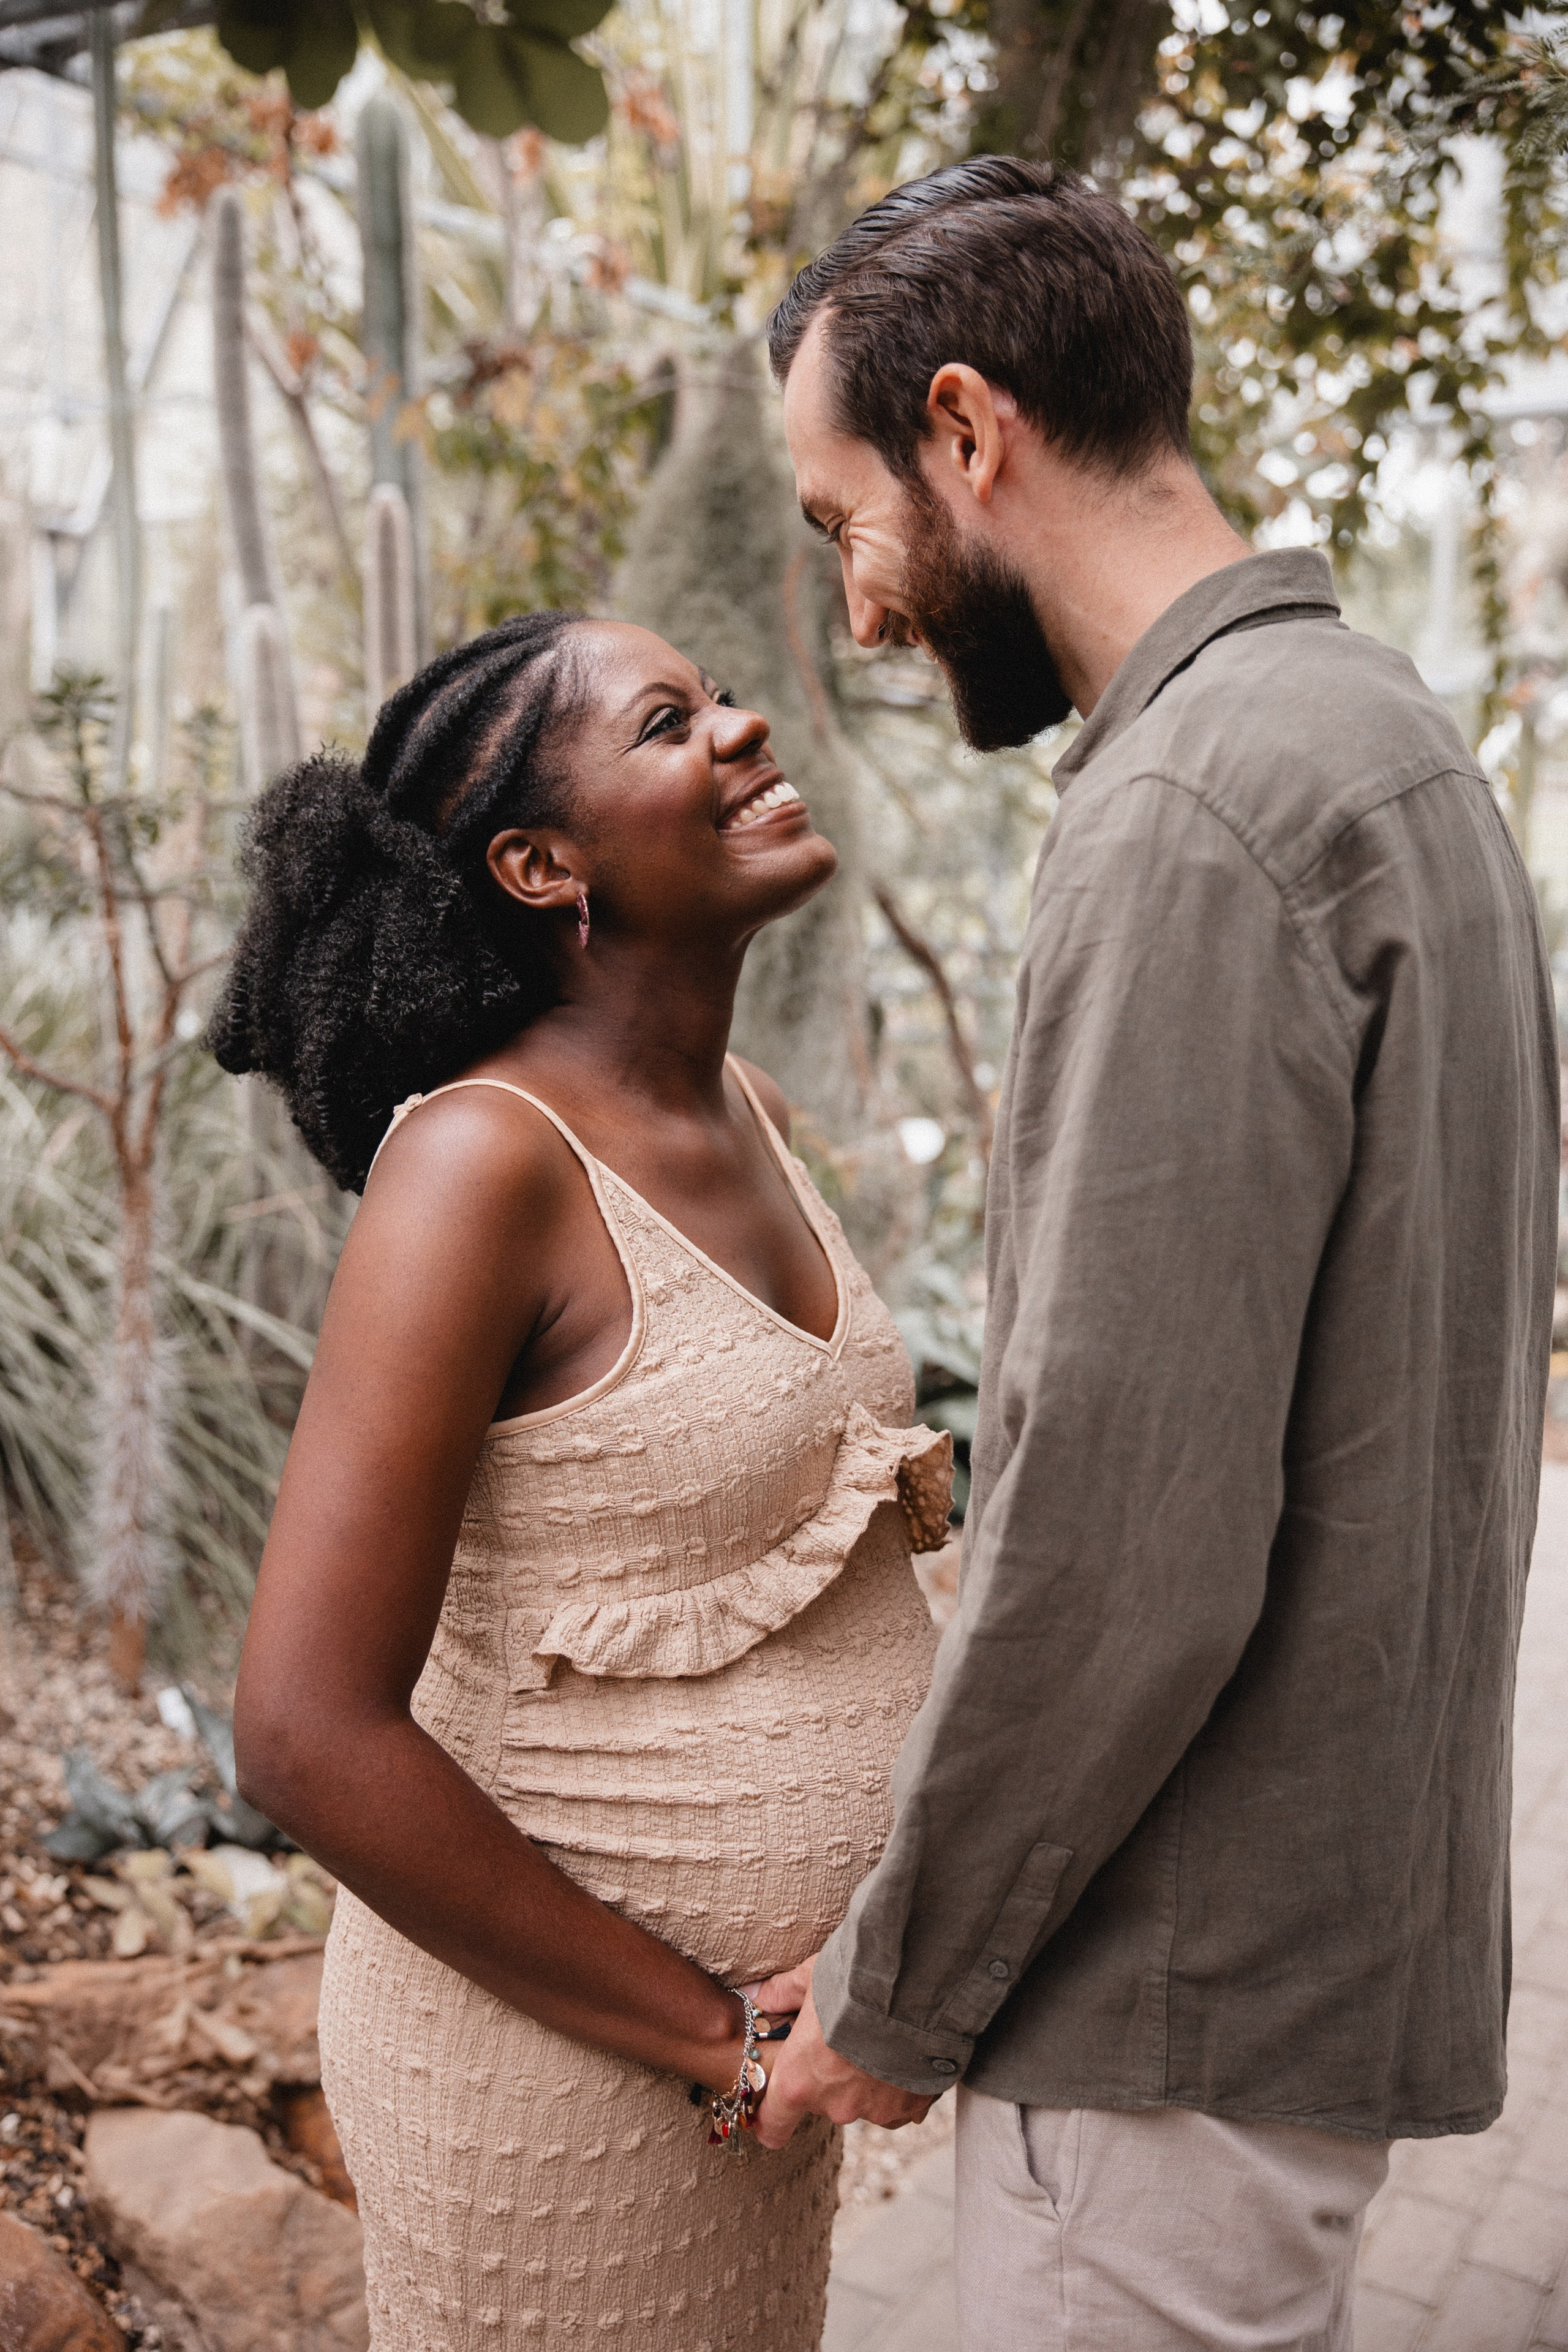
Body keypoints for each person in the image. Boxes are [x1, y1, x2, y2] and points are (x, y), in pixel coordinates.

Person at [751, 155, 1559, 2350]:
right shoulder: (1385, 741)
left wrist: (905, 1987)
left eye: (847, 522)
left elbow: (1123, 1518)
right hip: (1289, 1952)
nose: (862, 610)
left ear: (966, 430)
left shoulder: (1196, 808)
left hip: (1165, 1998)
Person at [213, 611, 952, 2349]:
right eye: (669, 720)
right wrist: (721, 2035)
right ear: (543, 862)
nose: (746, 727)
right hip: (568, 2082)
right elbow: (307, 1728)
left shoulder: (745, 1112)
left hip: (760, 2073)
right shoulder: (482, 1168)